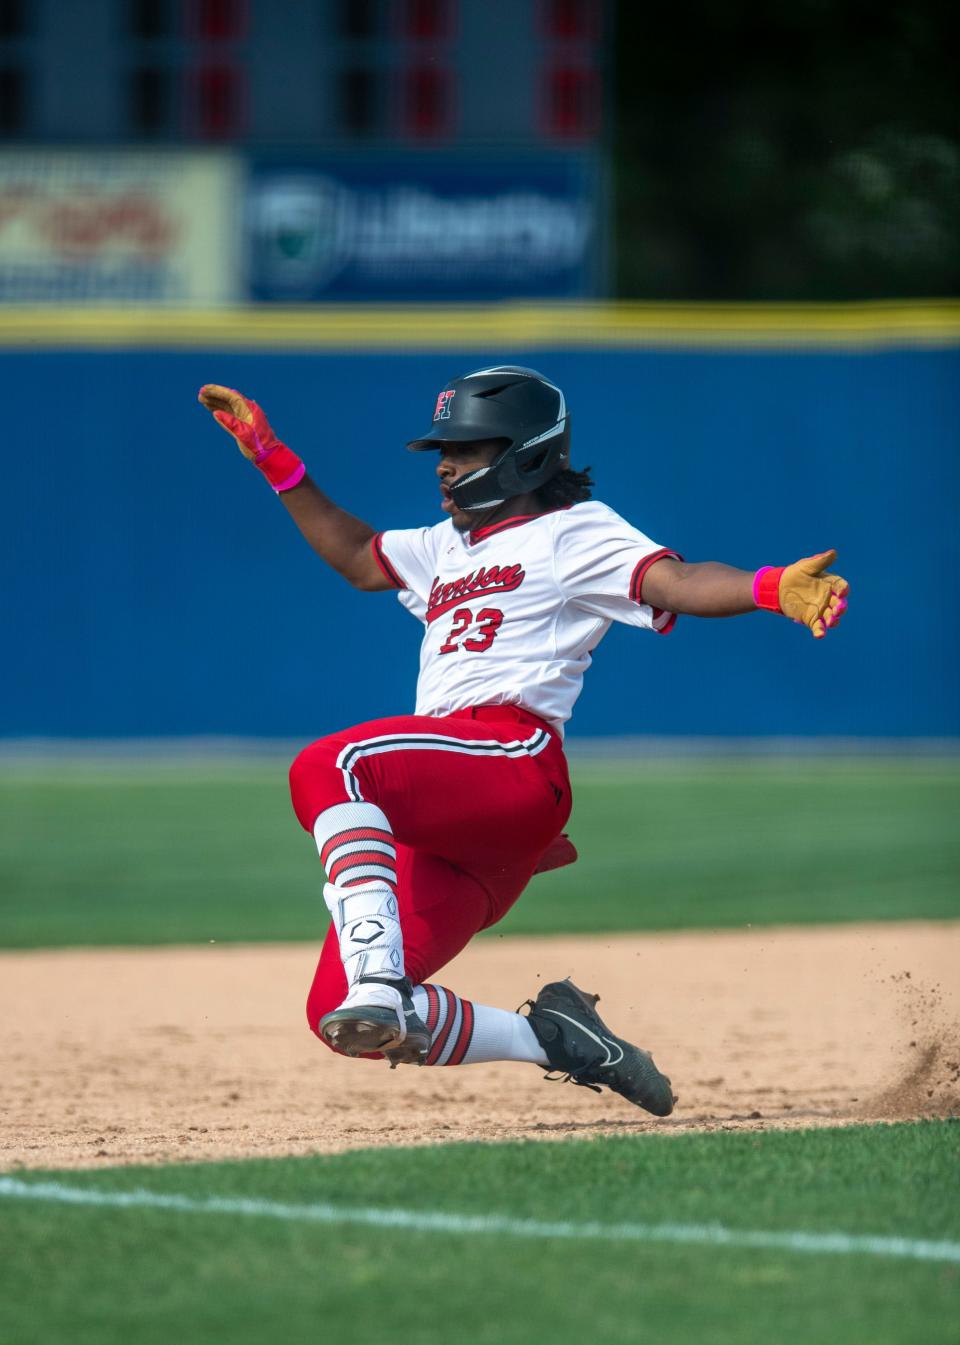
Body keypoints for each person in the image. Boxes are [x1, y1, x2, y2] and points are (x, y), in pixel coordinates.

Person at [198, 366, 848, 1119]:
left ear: (528, 453)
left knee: (331, 766)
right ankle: (556, 1039)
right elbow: (355, 555)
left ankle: (376, 969)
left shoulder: (572, 530)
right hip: (458, 824)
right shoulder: (447, 545)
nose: (445, 463)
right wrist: (274, 458)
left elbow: (677, 580)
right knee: (340, 1013)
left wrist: (771, 587)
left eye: (468, 448)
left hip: (510, 762)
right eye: (444, 447)